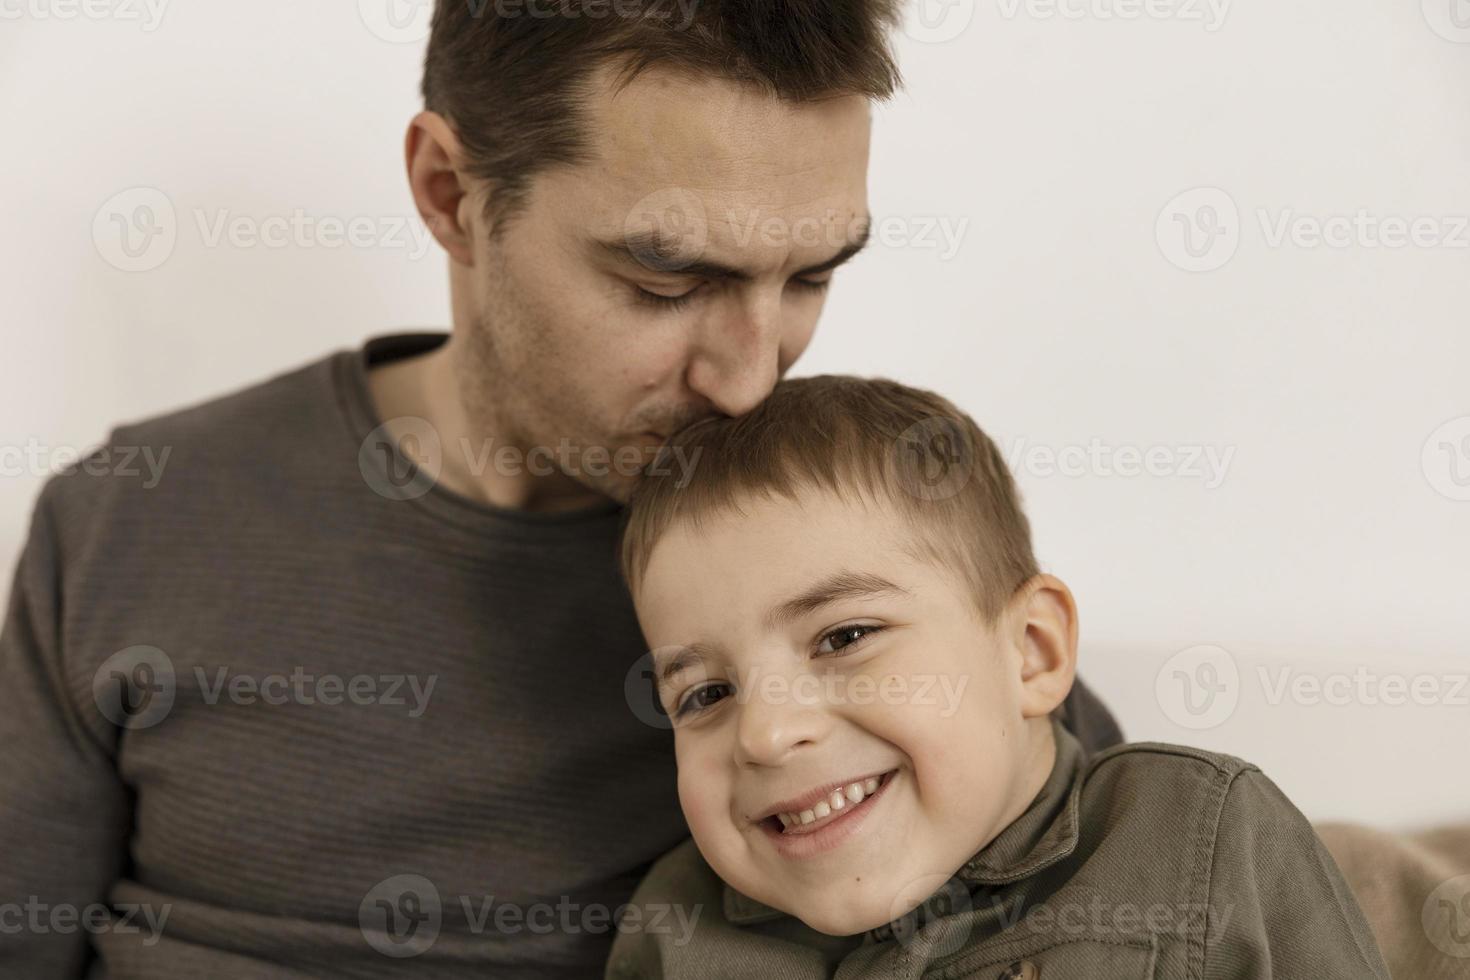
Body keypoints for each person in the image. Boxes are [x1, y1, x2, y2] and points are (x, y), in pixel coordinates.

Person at [0, 3, 1119, 977]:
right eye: (665, 277)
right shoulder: (130, 520)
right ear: (451, 193)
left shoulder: (868, 551)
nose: (747, 378)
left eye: (811, 274)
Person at [606, 375, 1389, 979]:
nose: (768, 734)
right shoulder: (677, 929)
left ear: (1033, 652)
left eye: (844, 637)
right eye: (705, 694)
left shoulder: (1199, 838)